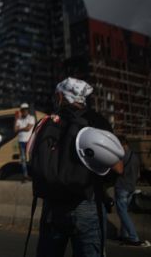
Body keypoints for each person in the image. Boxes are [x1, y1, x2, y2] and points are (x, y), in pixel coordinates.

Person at [34, 77, 123, 257]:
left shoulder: (48, 123)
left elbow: (35, 162)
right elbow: (118, 168)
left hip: (52, 206)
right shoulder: (96, 121)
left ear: (60, 96)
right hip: (86, 203)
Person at [114, 137, 150, 248]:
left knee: (122, 213)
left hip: (122, 187)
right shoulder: (134, 156)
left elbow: (118, 170)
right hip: (131, 187)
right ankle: (124, 235)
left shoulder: (121, 156)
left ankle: (134, 237)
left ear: (122, 144)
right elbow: (138, 174)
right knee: (124, 211)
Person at [14, 102, 35, 181]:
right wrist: (16, 119)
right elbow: (15, 129)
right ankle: (25, 175)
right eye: (23, 110)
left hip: (29, 141)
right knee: (23, 159)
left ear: (27, 110)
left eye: (25, 110)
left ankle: (33, 174)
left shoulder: (31, 118)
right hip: (21, 141)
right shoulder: (19, 119)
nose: (24, 111)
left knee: (31, 158)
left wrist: (20, 128)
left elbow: (28, 128)